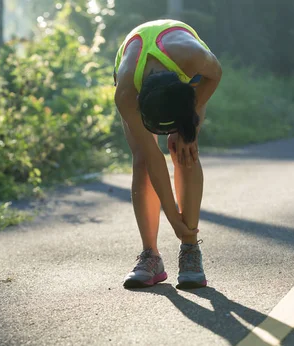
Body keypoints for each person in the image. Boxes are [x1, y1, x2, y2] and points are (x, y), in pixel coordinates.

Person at [113, 19, 222, 289]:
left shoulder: (194, 59)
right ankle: (150, 255)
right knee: (141, 160)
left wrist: (188, 127)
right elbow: (153, 158)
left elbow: (215, 74)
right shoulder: (127, 92)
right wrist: (173, 218)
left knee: (183, 149)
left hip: (186, 76)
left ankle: (190, 249)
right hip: (138, 77)